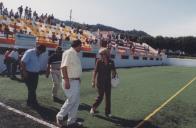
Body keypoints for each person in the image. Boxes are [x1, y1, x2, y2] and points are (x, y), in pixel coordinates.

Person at [56, 40, 83, 128]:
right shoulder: (69, 53)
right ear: (77, 45)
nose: (81, 47)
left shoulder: (74, 53)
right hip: (70, 81)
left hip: (75, 81)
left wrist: (78, 78)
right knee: (72, 100)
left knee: (76, 101)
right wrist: (66, 80)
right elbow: (64, 67)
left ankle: (71, 121)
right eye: (80, 46)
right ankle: (60, 116)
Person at [90, 48, 116, 117]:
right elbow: (95, 71)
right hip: (100, 81)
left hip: (108, 82)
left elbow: (114, 72)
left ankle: (108, 112)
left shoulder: (111, 62)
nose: (101, 55)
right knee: (100, 96)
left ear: (106, 54)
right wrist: (93, 81)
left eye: (102, 54)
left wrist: (113, 74)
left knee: (108, 97)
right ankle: (93, 108)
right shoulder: (98, 61)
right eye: (100, 54)